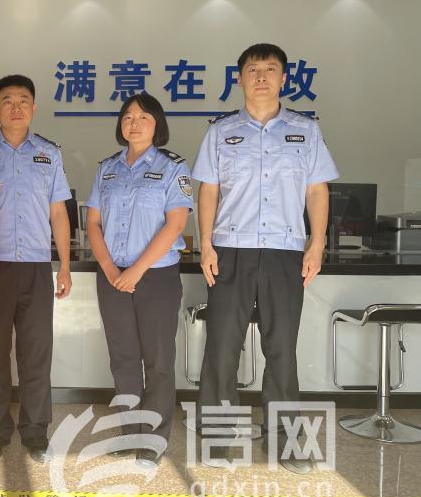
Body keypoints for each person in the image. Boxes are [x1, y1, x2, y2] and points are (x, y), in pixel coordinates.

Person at [192, 43, 338, 474]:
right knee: (222, 348)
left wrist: (317, 243)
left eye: (270, 69)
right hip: (230, 250)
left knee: (281, 350)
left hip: (284, 251)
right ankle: (219, 439)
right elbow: (208, 191)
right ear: (239, 78)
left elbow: (317, 190)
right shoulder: (220, 132)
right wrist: (205, 243)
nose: (261, 76)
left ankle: (286, 444)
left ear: (284, 78)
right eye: (252, 69)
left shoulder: (306, 131)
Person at [0, 74, 71, 463]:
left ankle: (36, 430)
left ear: (34, 107)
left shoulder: (49, 154)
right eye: (8, 100)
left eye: (24, 100)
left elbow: (59, 212)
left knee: (36, 351)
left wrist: (64, 266)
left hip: (37, 265)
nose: (16, 107)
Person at [85, 93, 193, 468]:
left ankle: (153, 439)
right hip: (112, 276)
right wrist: (110, 269)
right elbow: (93, 223)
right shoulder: (106, 169)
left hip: (156, 277)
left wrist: (136, 270)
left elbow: (175, 224)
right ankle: (128, 430)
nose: (134, 123)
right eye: (128, 116)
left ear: (157, 124)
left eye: (144, 116)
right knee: (123, 359)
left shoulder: (173, 168)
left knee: (159, 360)